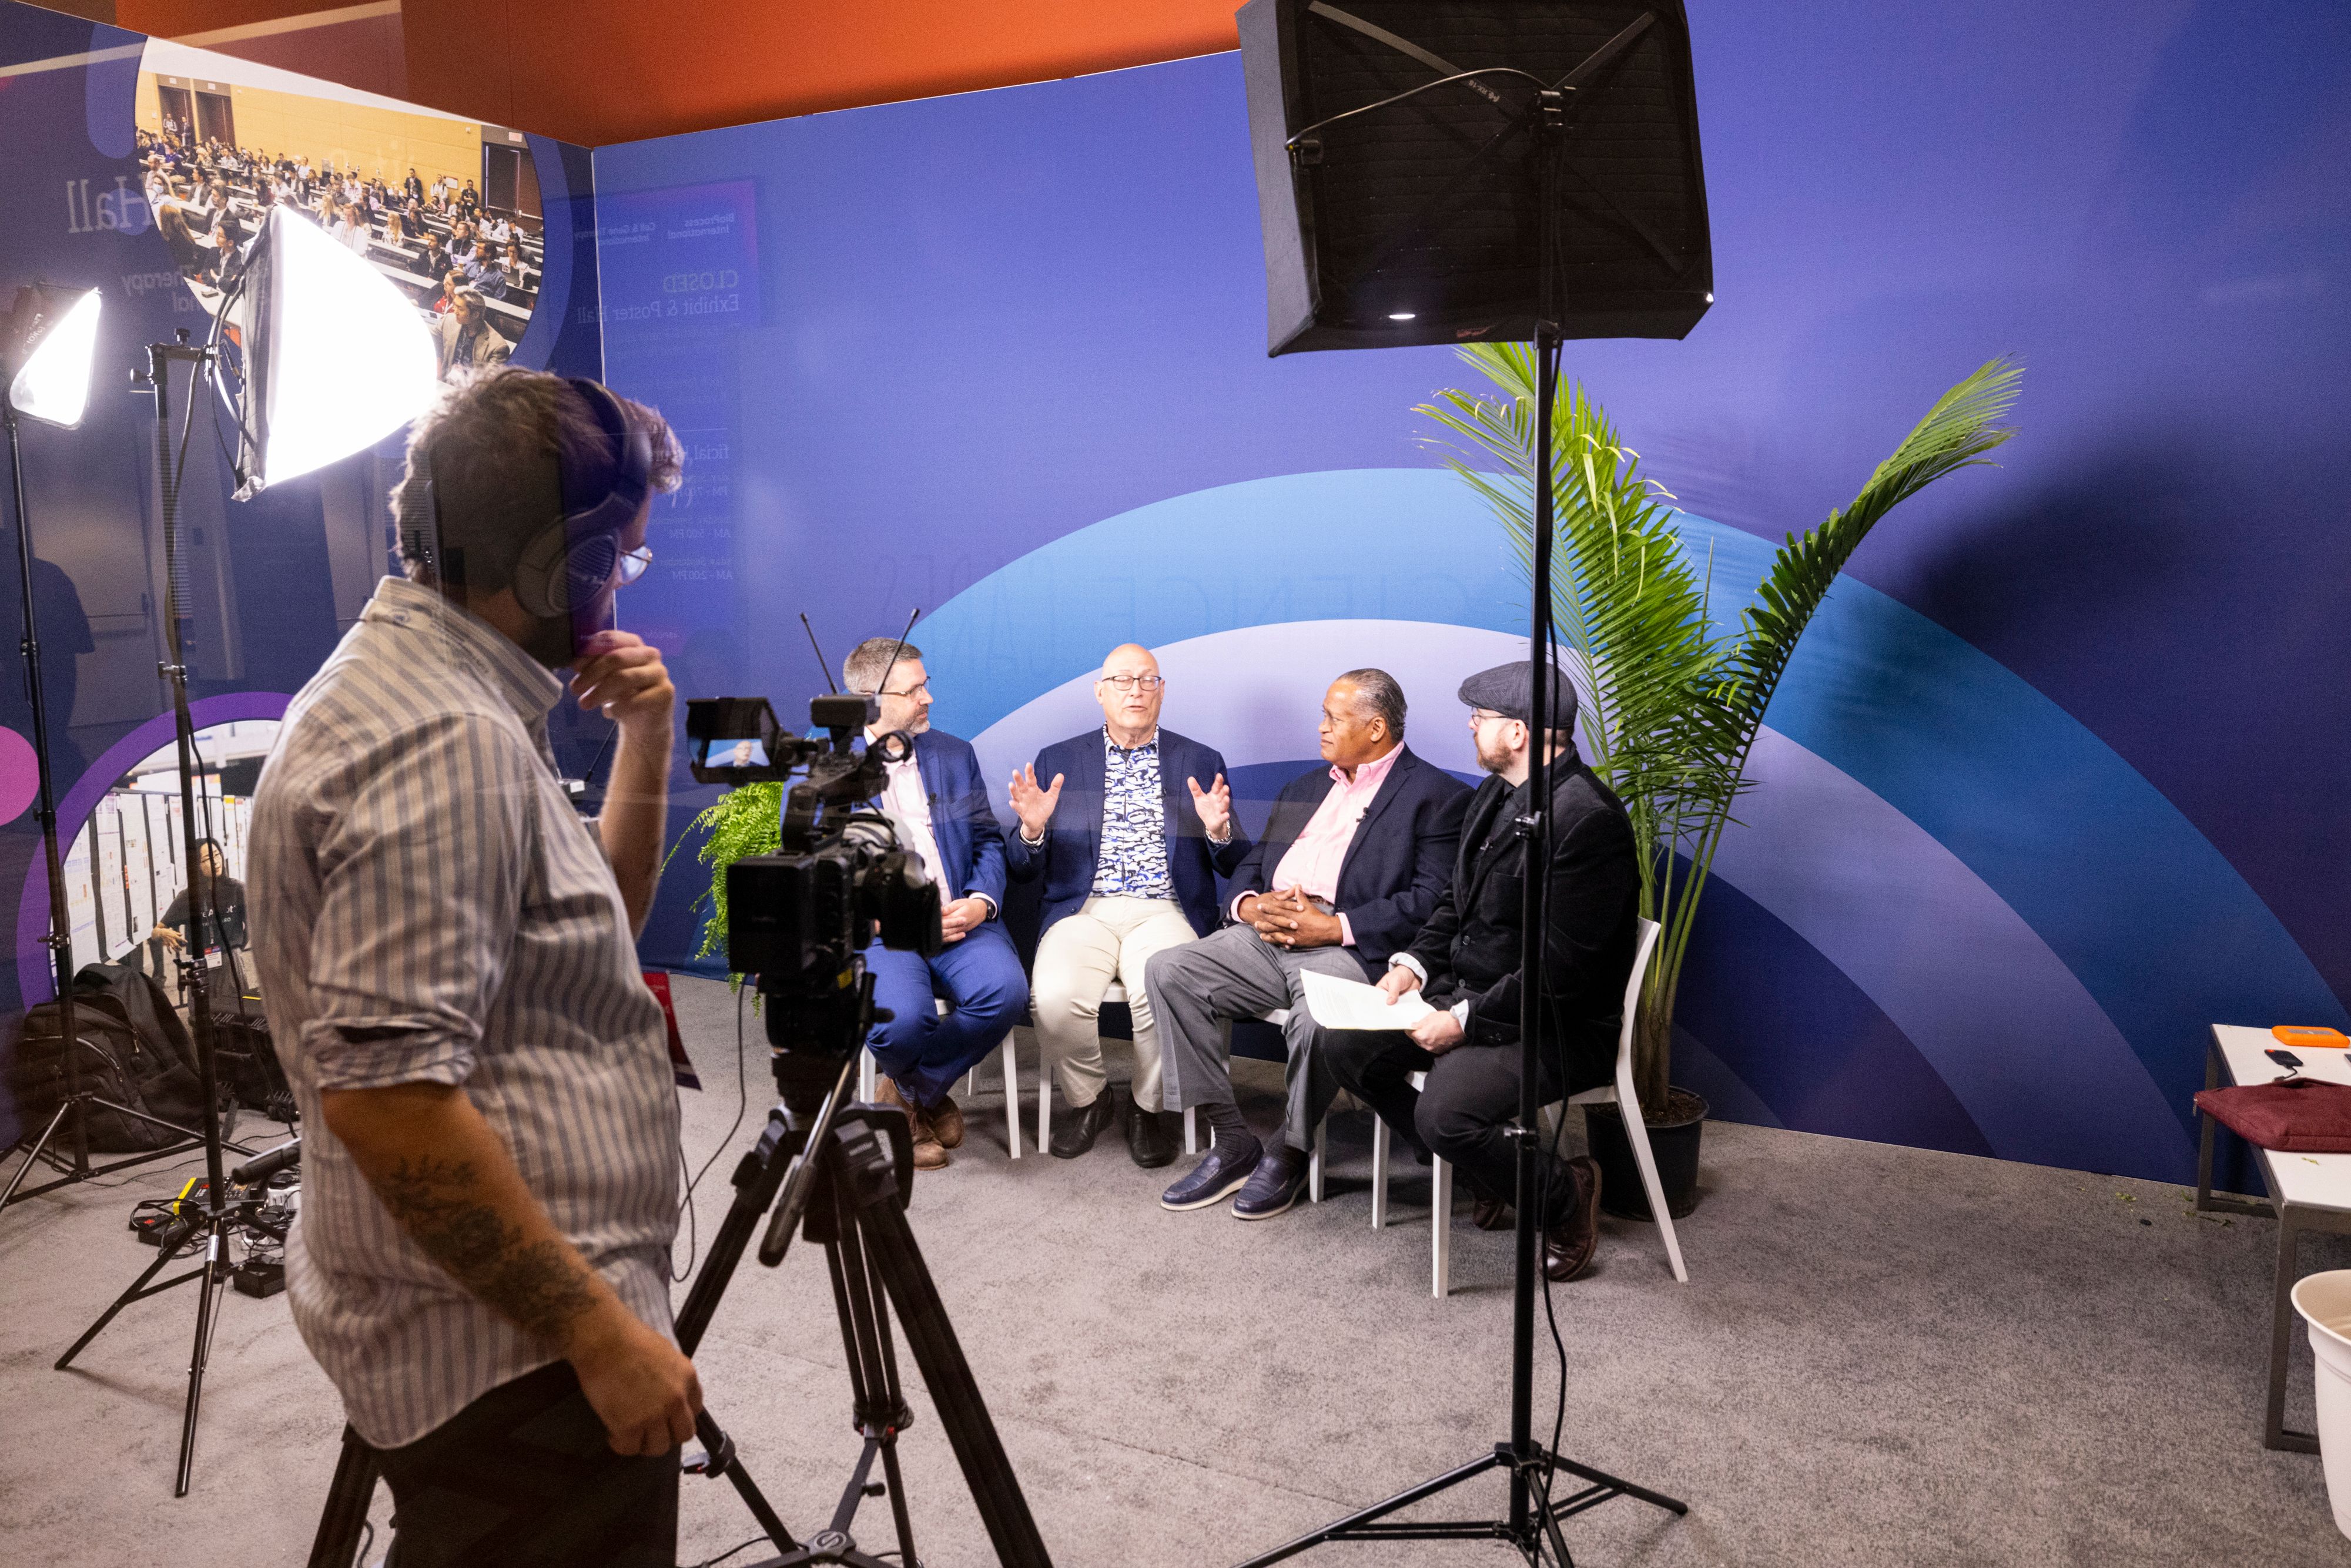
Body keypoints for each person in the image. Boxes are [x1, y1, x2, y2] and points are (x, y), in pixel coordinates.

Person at [247, 366, 694, 1565]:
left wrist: (646, 737)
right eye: (620, 562)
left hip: (495, 1320)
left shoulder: (439, 690)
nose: (620, 588)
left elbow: (595, 932)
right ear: (561, 566)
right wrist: (601, 1335)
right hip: (517, 1358)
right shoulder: (447, 740)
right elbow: (390, 1102)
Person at [1322, 662, 1639, 1282]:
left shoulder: (1589, 822)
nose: (1471, 725)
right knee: (1346, 1050)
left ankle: (1564, 1192)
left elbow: (1561, 973)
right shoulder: (1493, 794)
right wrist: (1412, 967)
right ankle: (1484, 1173)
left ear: (1518, 733)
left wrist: (1462, 1022)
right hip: (1470, 992)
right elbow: (1454, 903)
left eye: (1481, 717)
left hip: (1558, 1024)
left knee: (1445, 1115)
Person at [1148, 669, 1468, 1219]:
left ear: (1375, 728)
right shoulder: (1304, 788)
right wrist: (1249, 905)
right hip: (1265, 937)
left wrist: (1335, 926)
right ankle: (1232, 1139)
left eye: (1333, 718)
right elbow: (1254, 864)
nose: (1321, 727)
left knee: (1320, 1020)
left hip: (1346, 950)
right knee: (1167, 970)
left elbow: (1431, 902)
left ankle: (1291, 1149)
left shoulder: (1438, 798)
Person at [1005, 644, 1250, 1165]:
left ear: (1162, 691)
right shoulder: (1058, 760)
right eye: (1122, 680)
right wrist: (1032, 830)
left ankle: (1147, 1107)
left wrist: (1218, 831)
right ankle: (1091, 1099)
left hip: (1166, 910)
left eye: (1147, 680)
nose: (1135, 691)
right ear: (1100, 692)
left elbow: (1236, 864)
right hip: (1082, 910)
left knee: (1161, 994)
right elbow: (1022, 869)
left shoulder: (1199, 760)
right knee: (1053, 998)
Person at [837, 636, 1027, 1170]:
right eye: (914, 690)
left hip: (960, 917)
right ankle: (923, 1097)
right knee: (899, 1021)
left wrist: (982, 902)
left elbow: (987, 840)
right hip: (884, 932)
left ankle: (906, 1092)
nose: (929, 698)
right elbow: (821, 877)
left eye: (926, 685)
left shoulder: (954, 753)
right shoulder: (826, 772)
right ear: (873, 700)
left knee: (1006, 992)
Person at [150, 837, 246, 956]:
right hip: (201, 960)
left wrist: (237, 950)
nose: (216, 862)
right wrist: (162, 933)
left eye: (217, 855)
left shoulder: (237, 889)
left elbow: (253, 926)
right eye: (208, 859)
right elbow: (155, 932)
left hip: (231, 958)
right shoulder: (187, 897)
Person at [437, 287, 513, 379]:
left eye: (460, 309)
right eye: (455, 306)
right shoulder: (449, 320)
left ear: (476, 315)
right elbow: (430, 338)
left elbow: (489, 382)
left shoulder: (497, 347)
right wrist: (438, 364)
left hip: (472, 386)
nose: (455, 311)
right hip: (443, 381)